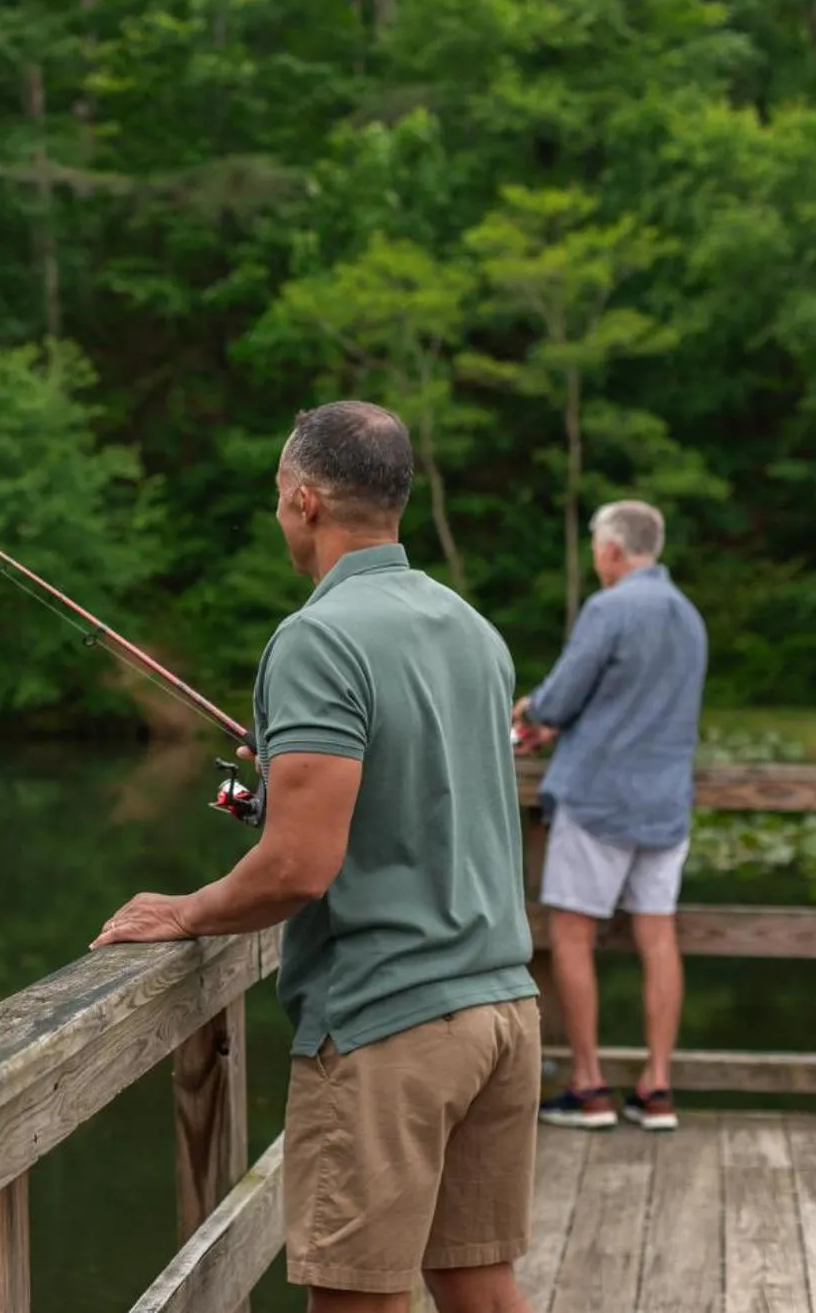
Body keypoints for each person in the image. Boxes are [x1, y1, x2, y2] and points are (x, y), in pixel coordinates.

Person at [93, 401, 538, 1313]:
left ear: (304, 501)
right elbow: (415, 789)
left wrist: (186, 910)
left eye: (274, 497)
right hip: (502, 1009)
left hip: (389, 1022)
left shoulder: (318, 638)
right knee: (478, 1283)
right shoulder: (473, 630)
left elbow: (297, 866)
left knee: (356, 1298)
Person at [512, 499, 706, 1133]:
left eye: (598, 549)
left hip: (599, 799)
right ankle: (657, 1088)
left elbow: (565, 694)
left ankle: (589, 1084)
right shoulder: (688, 616)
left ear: (614, 551)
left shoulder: (611, 607)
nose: (596, 559)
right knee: (658, 939)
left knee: (571, 937)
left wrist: (533, 713)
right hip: (666, 802)